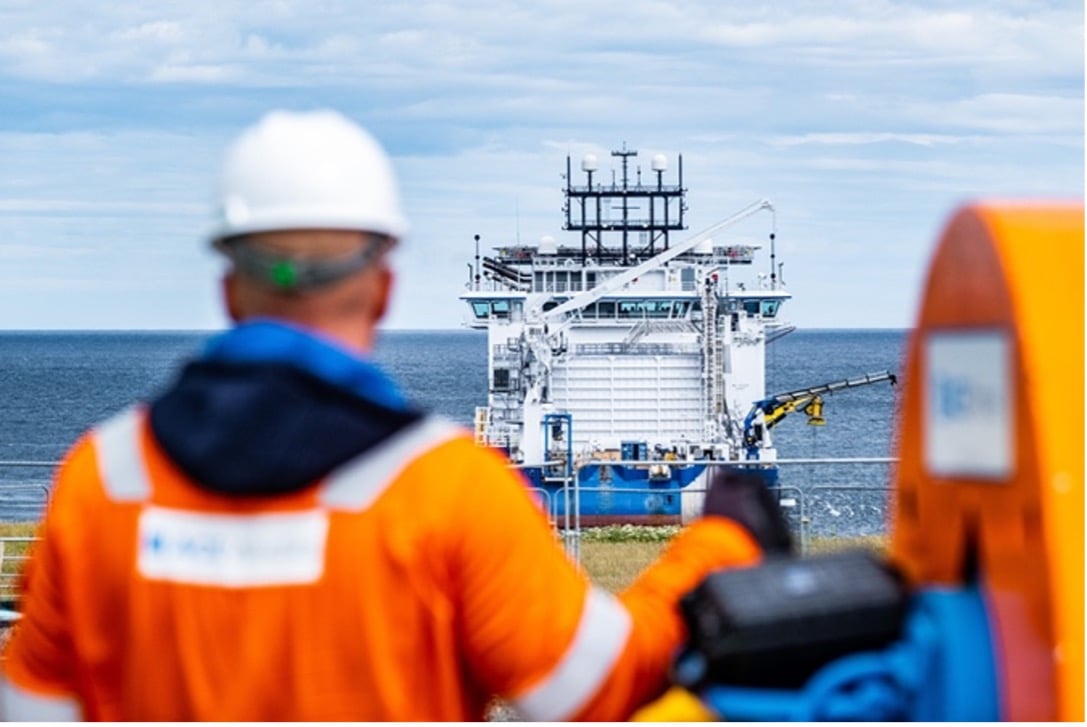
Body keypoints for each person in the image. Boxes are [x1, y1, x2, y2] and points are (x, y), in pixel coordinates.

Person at [0, 109, 789, 721]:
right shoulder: (445, 489)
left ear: (228, 286)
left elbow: (30, 708)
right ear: (382, 286)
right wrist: (720, 539)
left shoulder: (101, 482)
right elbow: (595, 687)